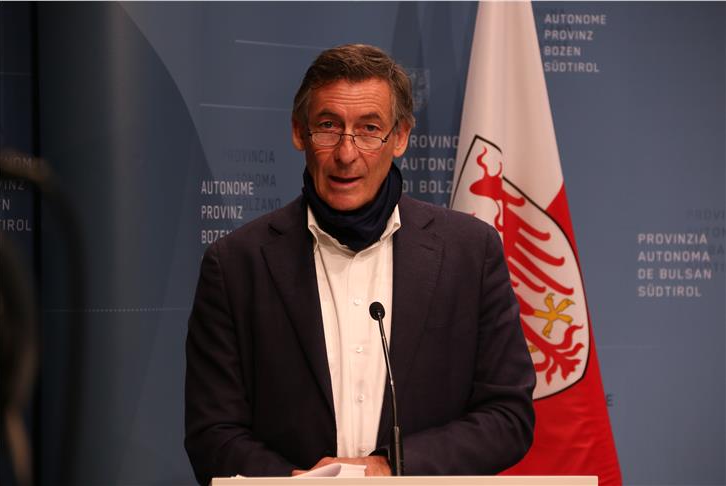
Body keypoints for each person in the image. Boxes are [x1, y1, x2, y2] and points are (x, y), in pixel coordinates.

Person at [185, 44, 535, 485]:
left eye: (369, 129)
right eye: (328, 127)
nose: (347, 154)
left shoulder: (470, 252)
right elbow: (212, 432)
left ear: (400, 137)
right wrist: (296, 482)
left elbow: (508, 416)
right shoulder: (237, 264)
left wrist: (392, 467)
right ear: (299, 133)